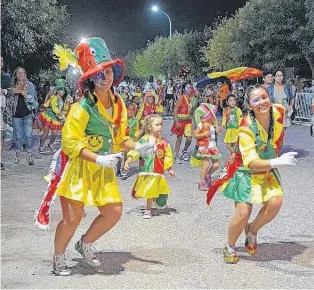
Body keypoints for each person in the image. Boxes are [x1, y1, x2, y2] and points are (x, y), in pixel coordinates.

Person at [38, 37, 154, 276]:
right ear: (90, 79)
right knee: (73, 217)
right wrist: (99, 158)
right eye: (99, 73)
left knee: (113, 212)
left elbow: (122, 138)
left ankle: (84, 244)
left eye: (108, 71)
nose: (106, 77)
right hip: (80, 168)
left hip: (102, 167)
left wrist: (139, 147)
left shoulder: (119, 103)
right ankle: (58, 257)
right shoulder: (81, 107)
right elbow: (70, 142)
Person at [206, 85, 298, 264]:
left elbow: (285, 112)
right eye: (256, 100)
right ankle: (230, 245)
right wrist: (277, 162)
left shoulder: (278, 110)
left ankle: (252, 230)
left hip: (267, 171)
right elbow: (251, 162)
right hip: (246, 171)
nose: (262, 102)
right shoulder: (246, 128)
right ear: (249, 105)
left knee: (275, 203)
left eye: (264, 97)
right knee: (242, 212)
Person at [124, 114, 176, 219]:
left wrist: (169, 169)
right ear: (149, 127)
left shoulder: (163, 143)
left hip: (158, 172)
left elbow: (167, 156)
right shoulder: (144, 140)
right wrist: (128, 161)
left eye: (161, 124)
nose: (160, 126)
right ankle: (148, 210)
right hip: (147, 171)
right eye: (157, 124)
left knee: (158, 191)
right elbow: (136, 151)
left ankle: (155, 199)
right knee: (150, 190)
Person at [5, 67, 37, 165]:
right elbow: (8, 99)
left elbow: (33, 101)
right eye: (18, 73)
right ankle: (17, 156)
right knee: (17, 137)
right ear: (16, 75)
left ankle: (30, 156)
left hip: (27, 114)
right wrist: (11, 92)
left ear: (25, 74)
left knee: (28, 136)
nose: (21, 75)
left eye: (22, 73)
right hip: (16, 115)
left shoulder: (30, 85)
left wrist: (23, 93)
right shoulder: (12, 85)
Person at [190, 103, 221, 191]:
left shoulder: (212, 125)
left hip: (212, 146)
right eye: (212, 114)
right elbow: (195, 134)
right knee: (206, 164)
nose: (213, 116)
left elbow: (214, 135)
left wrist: (217, 130)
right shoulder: (201, 124)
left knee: (216, 164)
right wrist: (203, 134)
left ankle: (208, 174)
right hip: (204, 147)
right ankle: (202, 182)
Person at [38, 79, 69, 152]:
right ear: (57, 90)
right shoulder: (54, 97)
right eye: (61, 90)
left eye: (64, 91)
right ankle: (41, 146)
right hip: (49, 116)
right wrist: (60, 114)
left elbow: (65, 108)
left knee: (55, 133)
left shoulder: (63, 99)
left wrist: (63, 114)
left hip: (56, 118)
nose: (63, 92)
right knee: (45, 133)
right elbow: (54, 108)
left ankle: (50, 144)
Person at [171, 83, 194, 163]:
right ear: (184, 89)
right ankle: (177, 155)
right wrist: (176, 122)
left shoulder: (193, 98)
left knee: (189, 139)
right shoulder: (181, 98)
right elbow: (175, 111)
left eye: (191, 87)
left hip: (188, 121)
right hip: (180, 121)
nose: (190, 89)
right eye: (188, 87)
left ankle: (184, 151)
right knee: (179, 139)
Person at [116, 103, 140, 180]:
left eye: (133, 110)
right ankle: (118, 170)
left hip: (129, 140)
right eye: (129, 109)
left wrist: (136, 138)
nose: (130, 111)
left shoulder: (135, 121)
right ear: (125, 110)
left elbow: (136, 130)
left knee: (127, 155)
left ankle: (125, 169)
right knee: (119, 155)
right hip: (121, 140)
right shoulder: (121, 119)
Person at [221, 94, 243, 163]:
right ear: (227, 102)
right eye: (230, 101)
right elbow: (224, 119)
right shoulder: (226, 110)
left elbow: (240, 120)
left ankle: (235, 158)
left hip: (236, 130)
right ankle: (234, 159)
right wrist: (222, 126)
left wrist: (241, 130)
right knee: (229, 145)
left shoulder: (237, 110)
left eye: (234, 100)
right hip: (229, 130)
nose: (233, 102)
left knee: (234, 146)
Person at [1, 56, 11, 170]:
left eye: (2, 61)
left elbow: (10, 91)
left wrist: (3, 91)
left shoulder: (5, 76)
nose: (0, 63)